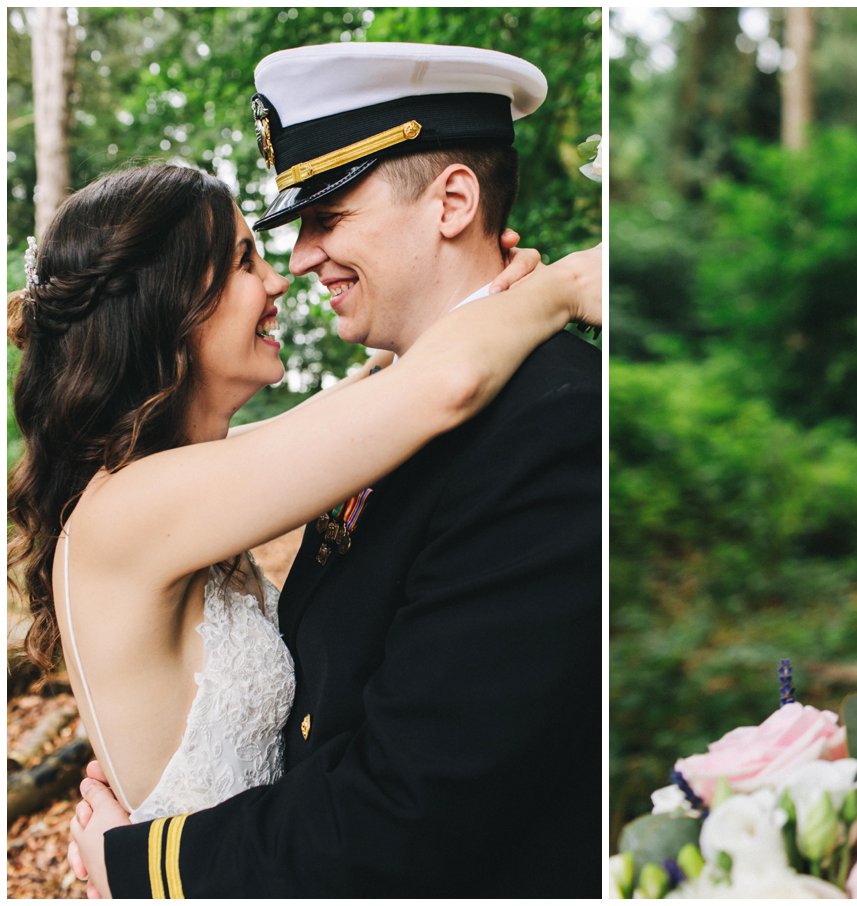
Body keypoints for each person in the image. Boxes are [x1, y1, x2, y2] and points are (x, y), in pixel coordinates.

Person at [65, 43, 604, 897]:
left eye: (328, 217)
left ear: (453, 201)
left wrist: (144, 868)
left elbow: (413, 806)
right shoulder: (169, 493)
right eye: (252, 257)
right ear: (172, 312)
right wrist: (556, 288)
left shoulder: (551, 421)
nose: (295, 264)